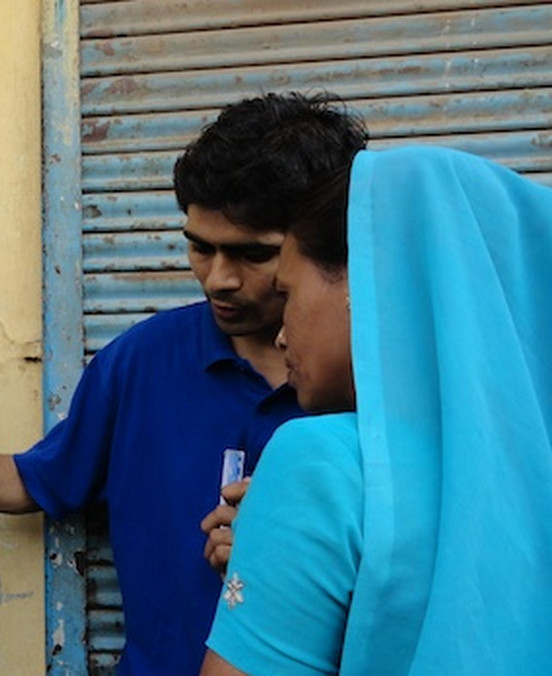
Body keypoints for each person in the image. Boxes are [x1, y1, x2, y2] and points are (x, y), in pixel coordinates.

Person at [0, 92, 368, 674]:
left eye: (251, 255)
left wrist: (285, 561)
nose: (217, 279)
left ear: (321, 249)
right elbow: (40, 479)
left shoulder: (384, 389)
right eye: (199, 248)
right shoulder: (141, 361)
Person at [201, 145, 552, 675]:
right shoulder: (527, 467)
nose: (279, 335)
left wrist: (282, 539)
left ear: (362, 288)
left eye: (287, 293)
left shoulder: (319, 462)